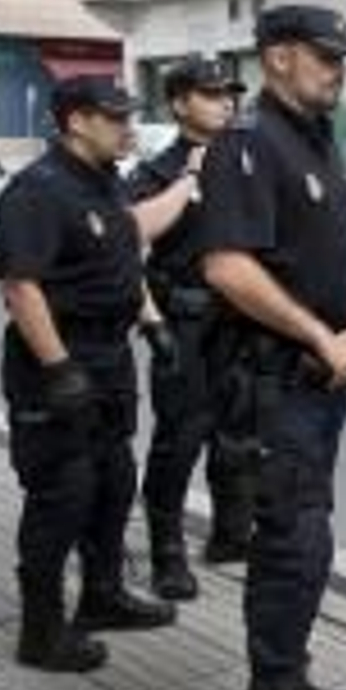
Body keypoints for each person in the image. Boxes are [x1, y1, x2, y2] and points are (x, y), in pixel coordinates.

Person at [197, 5, 346, 690]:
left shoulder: (312, 137)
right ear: (276, 58)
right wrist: (317, 333)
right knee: (292, 548)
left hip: (318, 378)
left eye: (345, 57)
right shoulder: (247, 143)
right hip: (274, 382)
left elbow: (335, 246)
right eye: (326, 56)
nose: (339, 69)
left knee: (304, 539)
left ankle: (279, 689)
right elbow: (229, 269)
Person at [0, 76, 181, 673]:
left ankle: (102, 596)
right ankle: (41, 631)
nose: (129, 127)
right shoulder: (37, 192)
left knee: (112, 482)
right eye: (115, 117)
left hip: (111, 357)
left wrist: (151, 322)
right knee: (61, 495)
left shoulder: (106, 183)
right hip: (59, 363)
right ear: (76, 122)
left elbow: (123, 263)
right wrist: (59, 369)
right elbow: (22, 288)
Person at [129, 58, 251, 601]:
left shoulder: (248, 162)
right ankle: (167, 555)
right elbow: (125, 249)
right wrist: (151, 321)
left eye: (229, 93)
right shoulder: (156, 174)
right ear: (180, 103)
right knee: (179, 441)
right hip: (185, 323)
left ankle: (231, 535)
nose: (225, 101)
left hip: (242, 324)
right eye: (210, 94)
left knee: (239, 438)